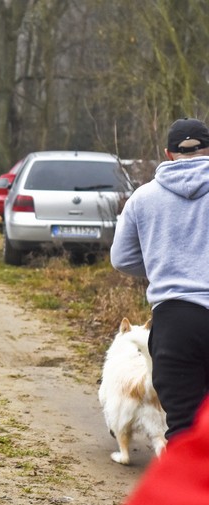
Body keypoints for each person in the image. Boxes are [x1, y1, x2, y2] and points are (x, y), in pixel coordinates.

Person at [110, 117, 209, 440]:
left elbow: (121, 258)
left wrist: (162, 267)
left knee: (182, 426)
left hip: (176, 324)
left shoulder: (143, 198)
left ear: (168, 153)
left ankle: (190, 489)